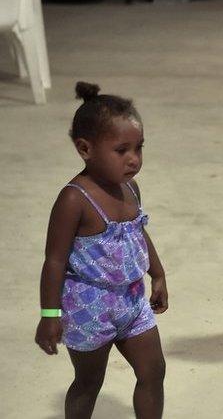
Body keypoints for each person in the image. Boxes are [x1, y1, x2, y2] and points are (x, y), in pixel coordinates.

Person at [35, 82, 167, 419]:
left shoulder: (130, 188)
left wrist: (158, 273)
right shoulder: (74, 199)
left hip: (133, 300)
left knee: (153, 372)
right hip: (88, 307)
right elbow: (54, 261)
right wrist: (49, 316)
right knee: (89, 381)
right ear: (85, 148)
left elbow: (137, 233)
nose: (133, 159)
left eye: (139, 148)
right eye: (121, 150)